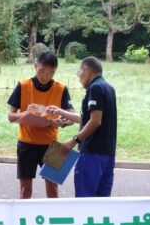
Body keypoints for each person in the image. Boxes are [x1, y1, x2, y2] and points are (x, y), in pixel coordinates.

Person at [7, 51, 73, 199]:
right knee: (25, 190)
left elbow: (71, 115)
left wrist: (63, 122)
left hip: (52, 145)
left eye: (51, 73)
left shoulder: (61, 88)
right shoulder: (23, 86)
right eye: (42, 70)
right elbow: (11, 116)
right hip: (26, 144)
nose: (45, 76)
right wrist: (23, 115)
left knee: (53, 190)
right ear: (35, 66)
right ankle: (22, 220)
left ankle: (53, 220)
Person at [50, 56, 117, 198]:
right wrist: (61, 112)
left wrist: (73, 140)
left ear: (86, 71)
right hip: (108, 154)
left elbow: (95, 121)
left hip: (92, 153)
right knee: (102, 201)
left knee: (84, 199)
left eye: (79, 73)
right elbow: (87, 119)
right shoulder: (108, 88)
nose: (79, 78)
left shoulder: (96, 88)